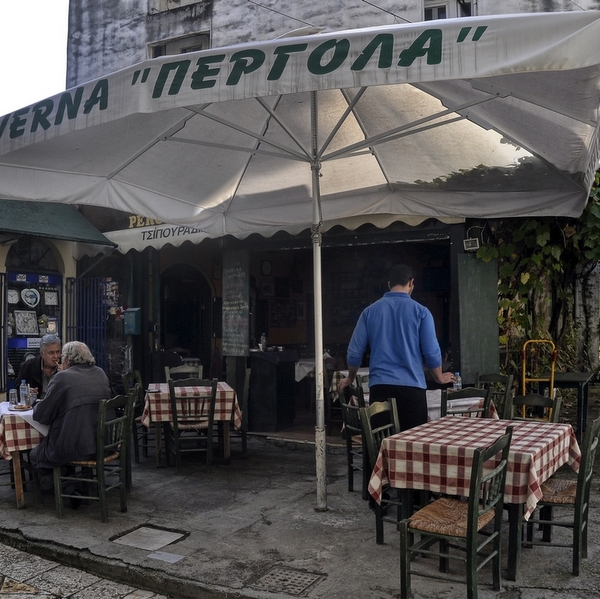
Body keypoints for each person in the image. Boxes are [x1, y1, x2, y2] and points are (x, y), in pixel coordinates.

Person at [338, 263, 454, 431]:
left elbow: (355, 352)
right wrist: (439, 377)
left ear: (389, 284)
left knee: (382, 441)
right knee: (412, 443)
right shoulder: (422, 312)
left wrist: (350, 377)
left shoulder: (369, 312)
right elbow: (431, 352)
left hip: (380, 389)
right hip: (412, 389)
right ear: (411, 283)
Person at [29, 341, 113, 494]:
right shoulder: (100, 373)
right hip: (104, 444)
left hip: (75, 447)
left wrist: (35, 404)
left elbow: (42, 415)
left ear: (67, 359)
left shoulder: (62, 377)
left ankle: (66, 484)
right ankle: (67, 481)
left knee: (35, 455)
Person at [15, 334, 62, 399]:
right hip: (35, 404)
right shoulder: (28, 366)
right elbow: (16, 391)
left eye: (58, 352)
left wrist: (65, 375)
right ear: (42, 354)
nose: (56, 356)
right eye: (51, 353)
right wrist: (26, 392)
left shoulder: (65, 366)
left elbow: (72, 393)